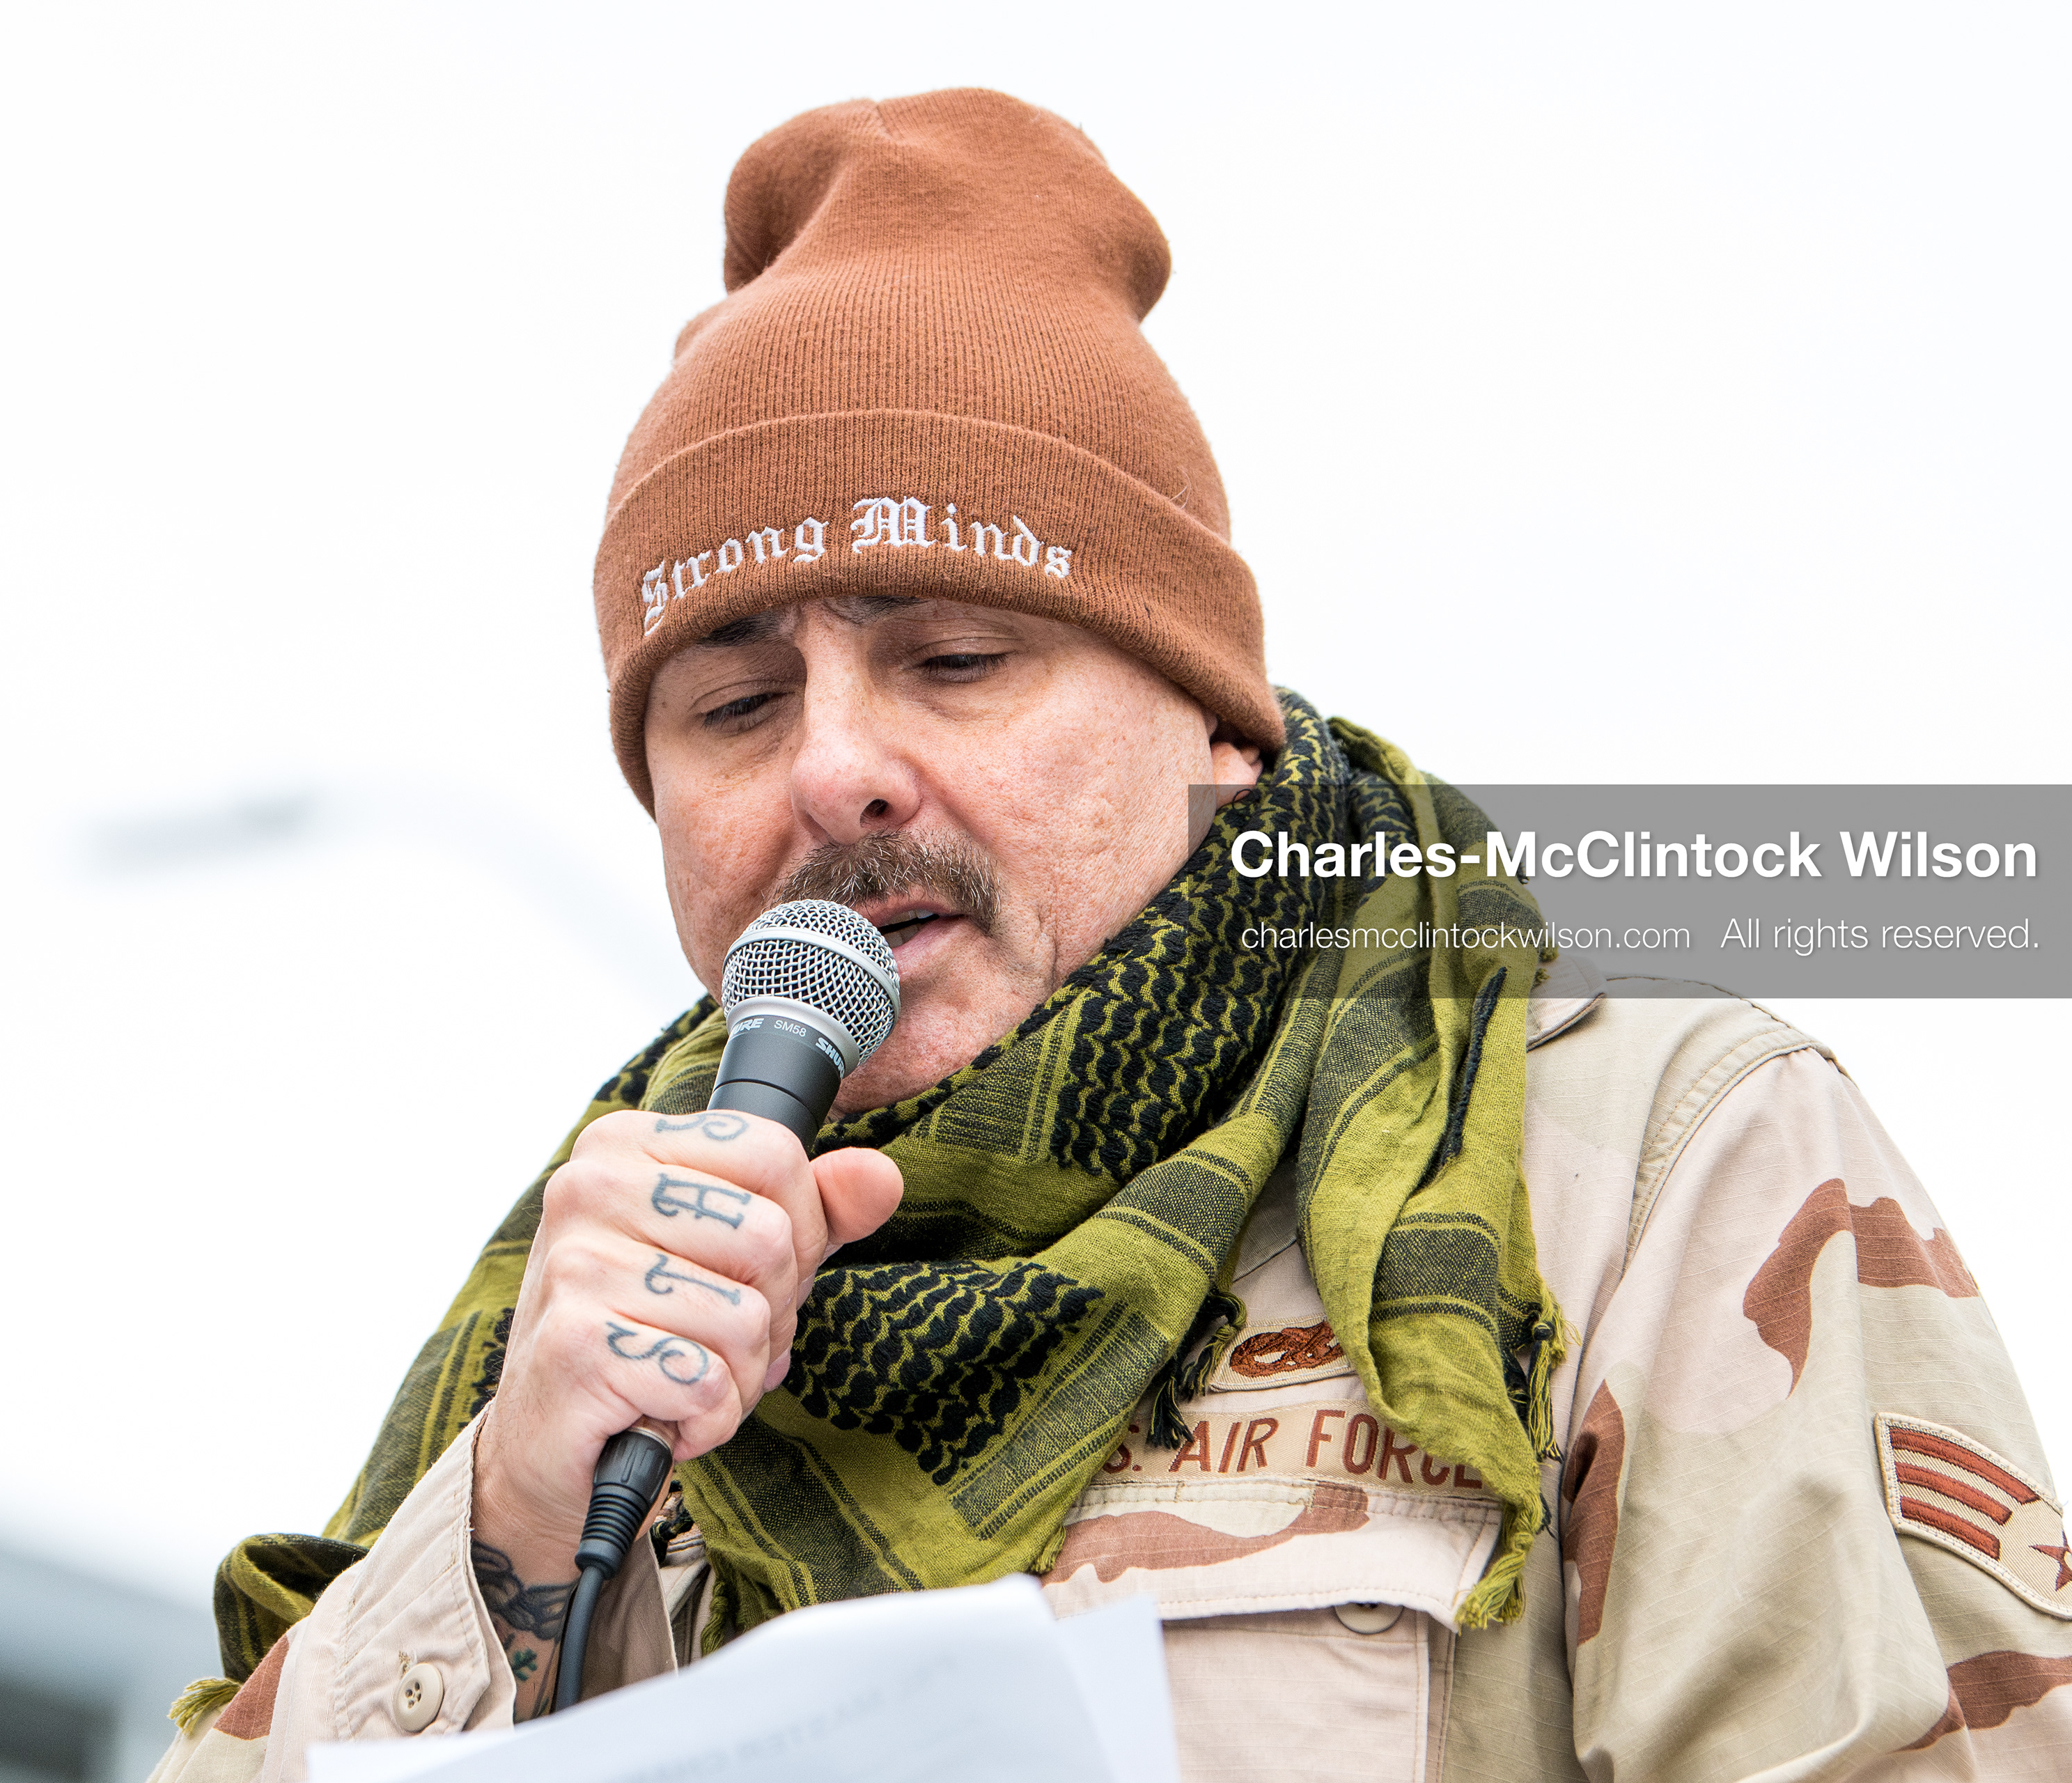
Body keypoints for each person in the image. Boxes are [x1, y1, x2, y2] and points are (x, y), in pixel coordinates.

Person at [146, 90, 2072, 1782]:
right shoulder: (592, 1330)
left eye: (955, 660)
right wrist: (502, 1536)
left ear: (1217, 726)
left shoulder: (1644, 1167)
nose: (837, 774)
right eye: (731, 708)